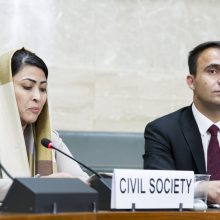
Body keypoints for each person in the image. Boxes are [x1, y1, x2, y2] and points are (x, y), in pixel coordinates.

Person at [0, 48, 89, 201]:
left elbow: (83, 182)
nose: (38, 97)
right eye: (27, 87)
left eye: (43, 89)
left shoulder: (48, 140)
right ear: (4, 90)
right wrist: (41, 185)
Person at [143, 41, 220, 204]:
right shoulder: (162, 130)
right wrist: (203, 189)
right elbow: (158, 185)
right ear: (191, 82)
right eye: (212, 71)